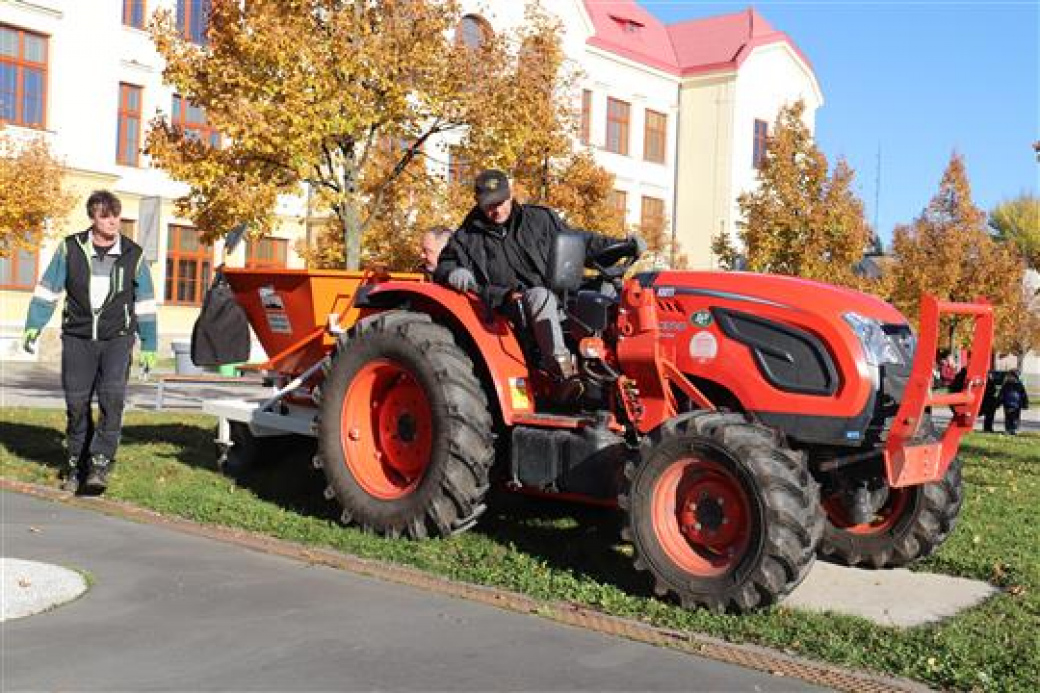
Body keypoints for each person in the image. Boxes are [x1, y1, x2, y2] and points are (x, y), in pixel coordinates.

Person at [434, 169, 645, 382]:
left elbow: (580, 242)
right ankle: (562, 373)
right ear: (478, 202)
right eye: (489, 205)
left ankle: (620, 366)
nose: (496, 210)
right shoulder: (466, 237)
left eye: (500, 202)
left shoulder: (538, 220)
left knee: (606, 290)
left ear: (511, 195)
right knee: (540, 296)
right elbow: (444, 265)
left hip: (557, 297)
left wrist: (622, 247)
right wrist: (453, 272)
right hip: (508, 306)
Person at [22, 190, 158, 494]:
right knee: (77, 405)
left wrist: (149, 343)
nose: (112, 222)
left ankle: (99, 463)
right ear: (93, 218)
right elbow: (48, 289)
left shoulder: (133, 255)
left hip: (117, 340)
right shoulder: (70, 249)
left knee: (112, 400)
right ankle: (76, 463)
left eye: (116, 215)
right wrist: (34, 324)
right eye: (105, 216)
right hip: (77, 338)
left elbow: (145, 303)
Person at [997, 371, 1029, 436]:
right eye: (1008, 376)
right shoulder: (1006, 385)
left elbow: (1023, 395)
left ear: (1015, 377)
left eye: (1011, 376)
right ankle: (1008, 429)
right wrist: (999, 401)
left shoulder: (1019, 385)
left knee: (1015, 418)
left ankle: (1015, 429)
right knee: (1008, 417)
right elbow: (1001, 394)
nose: (1009, 377)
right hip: (1007, 404)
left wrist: (1025, 403)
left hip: (1016, 404)